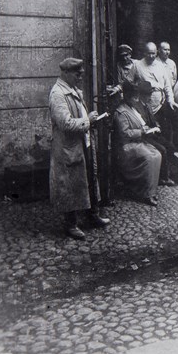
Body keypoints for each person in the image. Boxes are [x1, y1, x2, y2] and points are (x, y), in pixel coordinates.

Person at [49, 58, 110, 240]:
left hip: (82, 142)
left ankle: (92, 215)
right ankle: (71, 224)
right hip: (68, 147)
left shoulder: (72, 89)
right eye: (77, 74)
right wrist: (88, 121)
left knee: (90, 177)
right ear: (66, 73)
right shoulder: (58, 94)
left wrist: (92, 121)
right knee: (70, 184)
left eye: (81, 74)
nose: (80, 77)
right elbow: (65, 123)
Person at [113, 81, 163, 206]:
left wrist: (146, 129)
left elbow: (141, 123)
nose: (136, 100)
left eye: (136, 97)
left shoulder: (132, 108)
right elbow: (124, 134)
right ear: (127, 96)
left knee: (157, 154)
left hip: (138, 142)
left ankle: (149, 189)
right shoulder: (121, 112)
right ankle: (147, 194)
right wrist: (141, 131)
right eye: (133, 97)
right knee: (150, 158)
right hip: (127, 146)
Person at [133, 42, 178, 149]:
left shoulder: (160, 65)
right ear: (144, 53)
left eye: (153, 53)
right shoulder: (137, 65)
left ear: (156, 53)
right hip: (145, 106)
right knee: (154, 134)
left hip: (161, 103)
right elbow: (128, 81)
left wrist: (170, 100)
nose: (151, 56)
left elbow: (167, 86)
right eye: (148, 53)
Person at [134, 80, 177, 187]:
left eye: (150, 94)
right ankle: (163, 178)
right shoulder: (136, 107)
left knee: (170, 146)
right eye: (148, 94)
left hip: (152, 134)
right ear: (141, 95)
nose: (150, 96)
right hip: (144, 137)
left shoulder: (147, 105)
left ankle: (168, 171)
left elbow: (152, 120)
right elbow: (140, 125)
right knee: (162, 149)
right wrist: (150, 129)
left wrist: (156, 125)